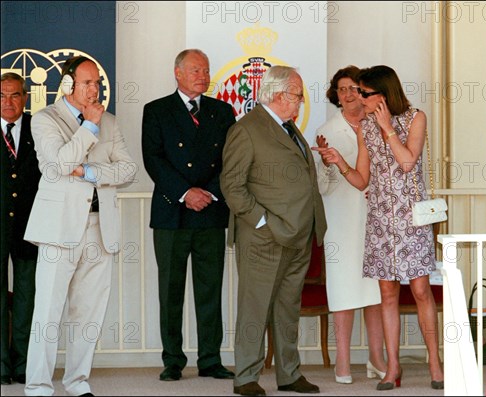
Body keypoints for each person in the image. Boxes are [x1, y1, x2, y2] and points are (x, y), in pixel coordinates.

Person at [313, 65, 444, 391]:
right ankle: (392, 367)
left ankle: (435, 363)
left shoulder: (416, 117)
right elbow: (362, 180)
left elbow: (407, 161)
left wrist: (387, 128)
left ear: (382, 95)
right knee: (386, 294)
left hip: (411, 218)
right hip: (381, 220)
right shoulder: (364, 128)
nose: (359, 98)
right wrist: (338, 162)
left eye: (364, 93)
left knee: (420, 291)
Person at [23, 55, 137, 396]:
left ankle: (77, 381)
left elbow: (128, 170)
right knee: (48, 311)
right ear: (69, 83)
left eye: (98, 83)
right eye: (87, 83)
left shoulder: (111, 122)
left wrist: (89, 173)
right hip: (59, 230)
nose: (94, 89)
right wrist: (88, 127)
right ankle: (39, 385)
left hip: (101, 228)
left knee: (87, 313)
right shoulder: (45, 120)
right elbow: (58, 166)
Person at [220, 65, 327, 396]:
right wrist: (263, 221)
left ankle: (289, 373)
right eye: (297, 96)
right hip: (263, 237)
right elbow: (232, 185)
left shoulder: (289, 127)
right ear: (280, 95)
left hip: (298, 234)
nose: (300, 103)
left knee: (287, 307)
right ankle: (246, 377)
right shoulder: (248, 129)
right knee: (254, 306)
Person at [141, 49, 236, 382]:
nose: (203, 75)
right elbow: (153, 159)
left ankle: (211, 359)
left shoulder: (223, 112)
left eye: (206, 70)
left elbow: (229, 161)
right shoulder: (156, 111)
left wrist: (206, 193)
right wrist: (185, 193)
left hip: (210, 211)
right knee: (171, 291)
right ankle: (173, 360)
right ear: (177, 72)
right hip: (172, 212)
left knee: (210, 289)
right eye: (196, 69)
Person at [312, 66, 386, 384]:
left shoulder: (379, 124)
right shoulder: (327, 130)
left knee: (376, 289)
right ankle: (342, 359)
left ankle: (376, 357)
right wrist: (329, 165)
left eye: (353, 88)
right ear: (336, 95)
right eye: (341, 89)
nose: (347, 94)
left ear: (363, 91)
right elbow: (322, 186)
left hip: (377, 218)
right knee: (343, 289)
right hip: (341, 219)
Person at [1, 73, 41, 386]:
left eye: (15, 95)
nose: (8, 102)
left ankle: (25, 363)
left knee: (28, 297)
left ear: (25, 98)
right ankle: (2, 364)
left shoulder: (38, 128)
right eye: (2, 96)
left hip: (30, 226)